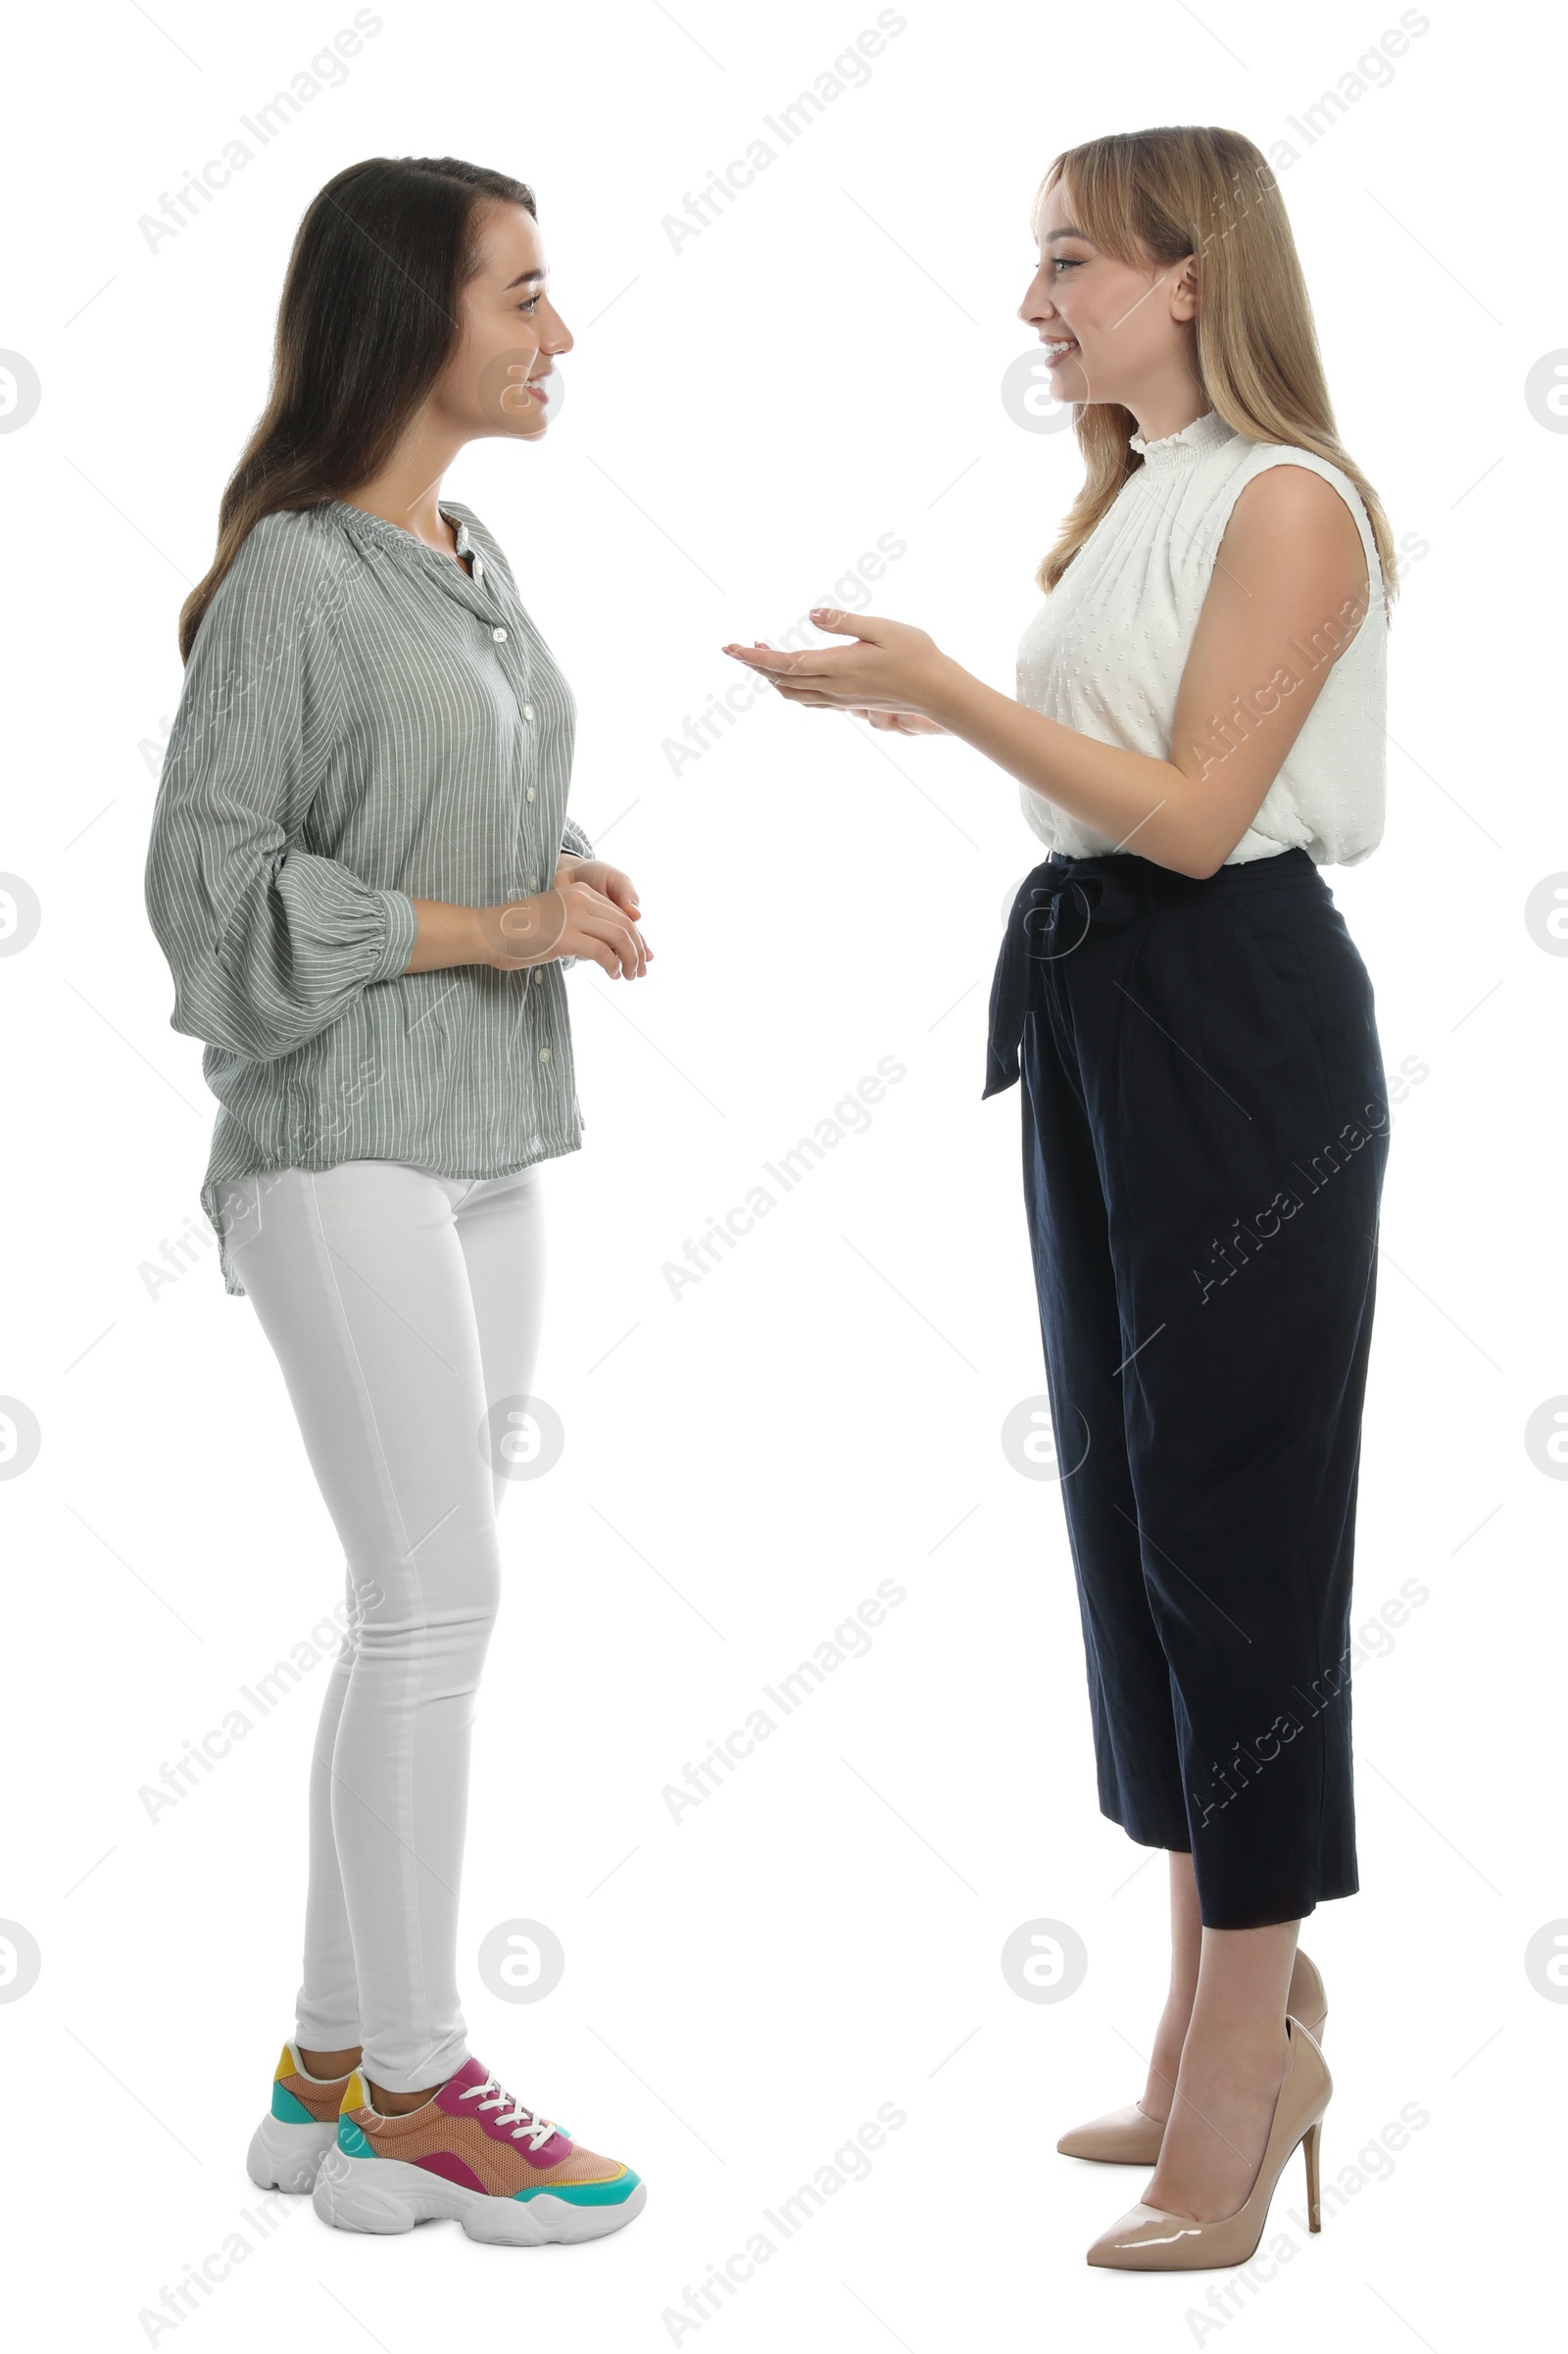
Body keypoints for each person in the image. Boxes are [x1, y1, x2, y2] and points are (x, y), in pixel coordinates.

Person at [723, 123, 1395, 2273]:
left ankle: (1242, 2076)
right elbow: (1115, 791)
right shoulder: (1135, 501)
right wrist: (932, 711)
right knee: (1132, 1519)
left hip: (1230, 1017)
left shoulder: (1286, 499)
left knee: (1233, 1531)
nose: (1035, 303)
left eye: (1068, 264)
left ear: (1192, 274)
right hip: (1112, 1005)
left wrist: (942, 683)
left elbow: (1199, 822)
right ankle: (1221, 1997)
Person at [145, 155, 651, 2248]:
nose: (558, 333)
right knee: (438, 1609)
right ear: (407, 320)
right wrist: (488, 919)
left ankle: (332, 2062)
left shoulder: (471, 555)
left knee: (408, 1611)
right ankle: (427, 2096)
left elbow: (460, 821)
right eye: (521, 294)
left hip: (483, 1142)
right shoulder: (290, 575)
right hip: (339, 1141)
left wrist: (565, 887)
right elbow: (206, 901)